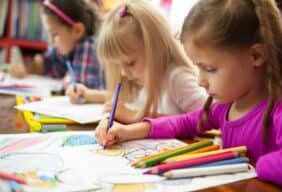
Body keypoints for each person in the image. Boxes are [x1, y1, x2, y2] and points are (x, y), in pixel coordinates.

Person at [95, 0, 282, 189]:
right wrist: (127, 132)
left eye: (210, 69)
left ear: (255, 56)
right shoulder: (224, 108)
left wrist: (259, 163)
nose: (200, 81)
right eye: (198, 69)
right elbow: (182, 123)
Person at [68, 0, 207, 123]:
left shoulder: (178, 79)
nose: (123, 72)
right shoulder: (146, 77)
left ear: (157, 49)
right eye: (118, 65)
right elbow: (129, 97)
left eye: (130, 63)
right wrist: (89, 95)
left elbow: (209, 118)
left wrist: (136, 116)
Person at [8, 0, 106, 90]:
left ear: (77, 31)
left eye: (54, 34)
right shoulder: (68, 48)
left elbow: (80, 90)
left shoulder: (89, 47)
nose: (50, 41)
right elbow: (48, 63)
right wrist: (26, 67)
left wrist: (68, 81)